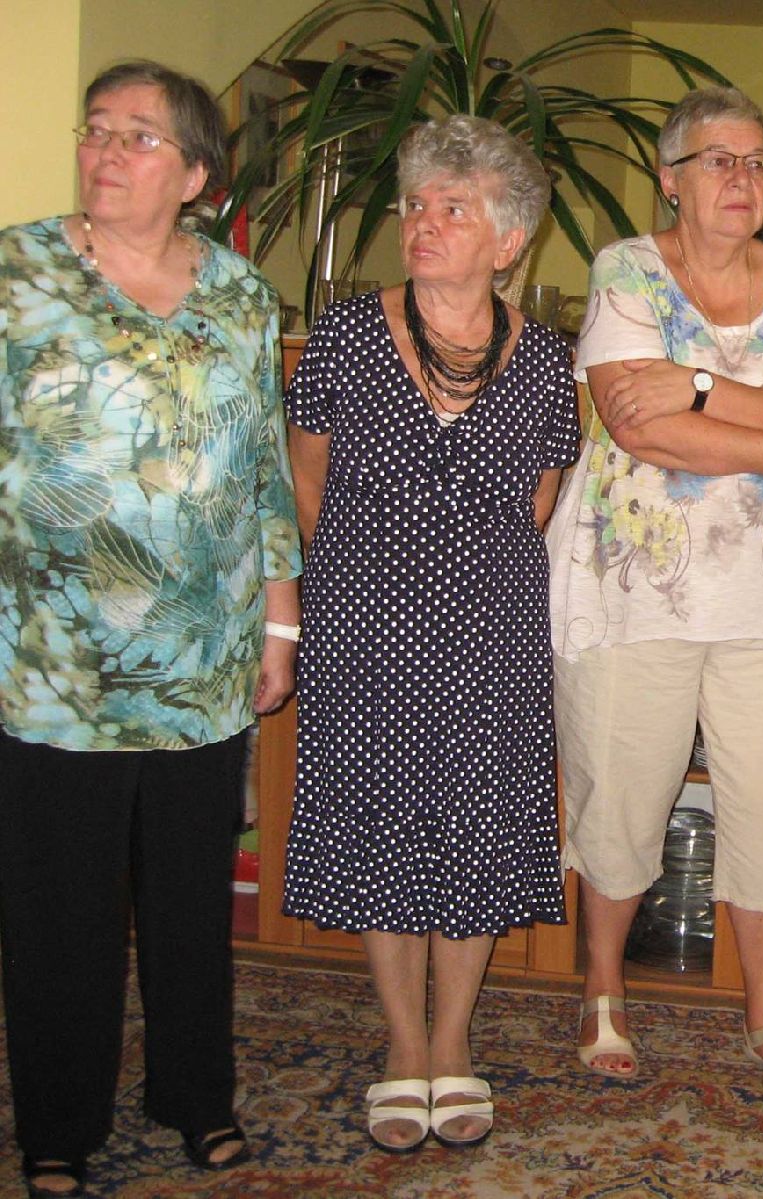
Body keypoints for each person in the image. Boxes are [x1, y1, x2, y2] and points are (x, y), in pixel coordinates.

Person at [0, 61, 301, 1197]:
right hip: (54, 662)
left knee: (188, 901)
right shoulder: (20, 271)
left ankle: (196, 1094)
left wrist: (280, 620)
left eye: (137, 136)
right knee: (59, 905)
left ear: (194, 175)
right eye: (97, 130)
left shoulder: (240, 295)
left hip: (201, 655)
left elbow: (263, 468)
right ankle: (57, 1121)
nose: (106, 152)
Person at [545, 86, 763, 1104]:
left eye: (759, 162)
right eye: (721, 160)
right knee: (622, 786)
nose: (744, 179)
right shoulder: (625, 269)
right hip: (636, 586)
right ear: (671, 178)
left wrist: (703, 387)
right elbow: (638, 426)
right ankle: (602, 989)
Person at [281, 116, 578, 1151]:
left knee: (477, 830)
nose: (424, 222)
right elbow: (307, 480)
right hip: (367, 629)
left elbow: (537, 500)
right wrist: (362, 588)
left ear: (509, 240)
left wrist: (460, 585)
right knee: (382, 828)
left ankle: (455, 1041)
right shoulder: (346, 336)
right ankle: (404, 1046)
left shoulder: (544, 360)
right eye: (416, 204)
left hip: (491, 637)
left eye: (455, 208)